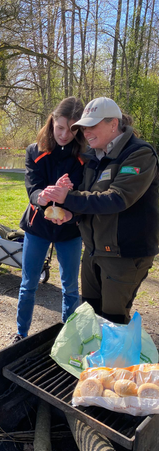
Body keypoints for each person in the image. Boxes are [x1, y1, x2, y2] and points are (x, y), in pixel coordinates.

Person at [43, 97, 159, 324]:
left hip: (124, 254)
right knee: (90, 315)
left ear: (113, 124)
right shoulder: (94, 157)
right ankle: (95, 360)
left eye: (92, 126)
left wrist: (69, 197)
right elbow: (90, 199)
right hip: (94, 251)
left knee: (113, 322)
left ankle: (116, 360)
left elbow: (117, 198)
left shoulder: (139, 154)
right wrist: (70, 215)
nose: (86, 132)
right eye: (84, 127)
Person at [15, 97, 87, 342]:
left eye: (72, 129)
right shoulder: (34, 151)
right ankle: (21, 333)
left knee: (70, 288)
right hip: (37, 227)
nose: (65, 134)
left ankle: (68, 338)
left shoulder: (84, 157)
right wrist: (44, 195)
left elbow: (85, 196)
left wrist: (70, 207)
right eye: (60, 127)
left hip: (69, 229)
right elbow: (32, 188)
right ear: (52, 122)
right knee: (28, 285)